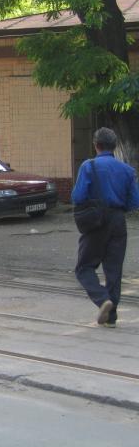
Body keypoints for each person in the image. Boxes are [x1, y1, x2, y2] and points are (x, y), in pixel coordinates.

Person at [71, 127, 139, 327]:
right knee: (113, 270)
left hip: (96, 220)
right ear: (114, 146)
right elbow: (134, 202)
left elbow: (78, 196)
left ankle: (102, 299)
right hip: (119, 221)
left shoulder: (88, 166)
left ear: (96, 145)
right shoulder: (127, 170)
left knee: (84, 267)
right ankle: (111, 318)